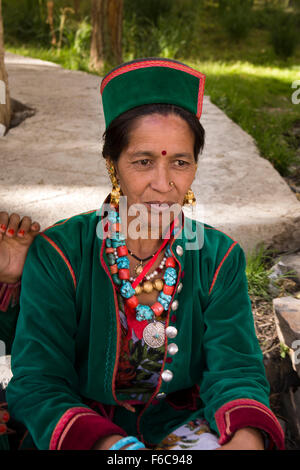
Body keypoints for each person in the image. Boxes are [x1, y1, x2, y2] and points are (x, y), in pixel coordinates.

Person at [0, 57, 285, 451]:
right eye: (143, 162)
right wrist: (116, 449)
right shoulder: (61, 253)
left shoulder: (219, 258)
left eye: (180, 163)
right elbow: (39, 380)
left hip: (181, 423)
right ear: (113, 166)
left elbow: (235, 368)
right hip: (85, 430)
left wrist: (246, 440)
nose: (164, 184)